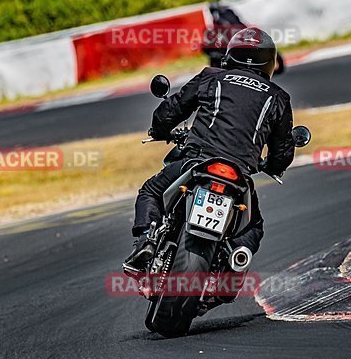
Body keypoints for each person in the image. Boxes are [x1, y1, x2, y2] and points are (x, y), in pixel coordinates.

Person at [124, 28, 295, 272]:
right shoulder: (278, 98)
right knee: (253, 226)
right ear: (269, 62)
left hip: (198, 161)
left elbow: (171, 110)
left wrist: (160, 130)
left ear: (230, 55)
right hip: (240, 174)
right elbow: (282, 151)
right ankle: (235, 262)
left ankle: (145, 241)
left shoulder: (211, 77)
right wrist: (274, 165)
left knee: (151, 191)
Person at [204, 1, 285, 74]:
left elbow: (235, 23)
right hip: (238, 32)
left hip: (236, 33)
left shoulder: (220, 16)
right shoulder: (226, 13)